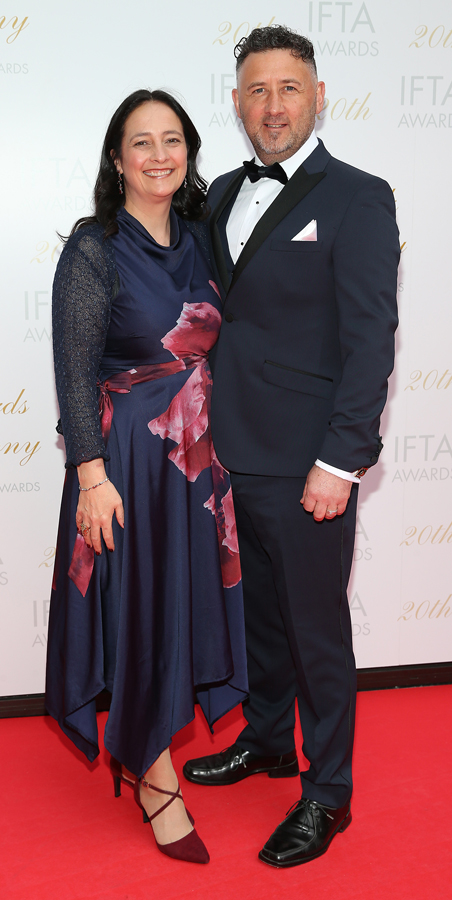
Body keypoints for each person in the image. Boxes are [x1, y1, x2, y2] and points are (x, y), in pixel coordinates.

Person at [183, 26, 400, 867]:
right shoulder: (222, 193)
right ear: (238, 103)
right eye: (257, 91)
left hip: (311, 461)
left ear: (317, 97)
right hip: (230, 451)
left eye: (289, 89)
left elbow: (370, 336)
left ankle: (327, 792)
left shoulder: (358, 196)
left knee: (316, 634)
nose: (273, 106)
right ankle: (269, 741)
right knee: (261, 622)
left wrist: (341, 460)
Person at [45, 88, 248, 865]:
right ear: (117, 158)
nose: (160, 154)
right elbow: (72, 371)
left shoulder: (203, 236)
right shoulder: (94, 248)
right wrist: (91, 476)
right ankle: (154, 772)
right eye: (142, 142)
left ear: (189, 151)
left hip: (197, 459)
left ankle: (151, 744)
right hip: (126, 461)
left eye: (173, 139)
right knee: (139, 610)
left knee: (180, 606)